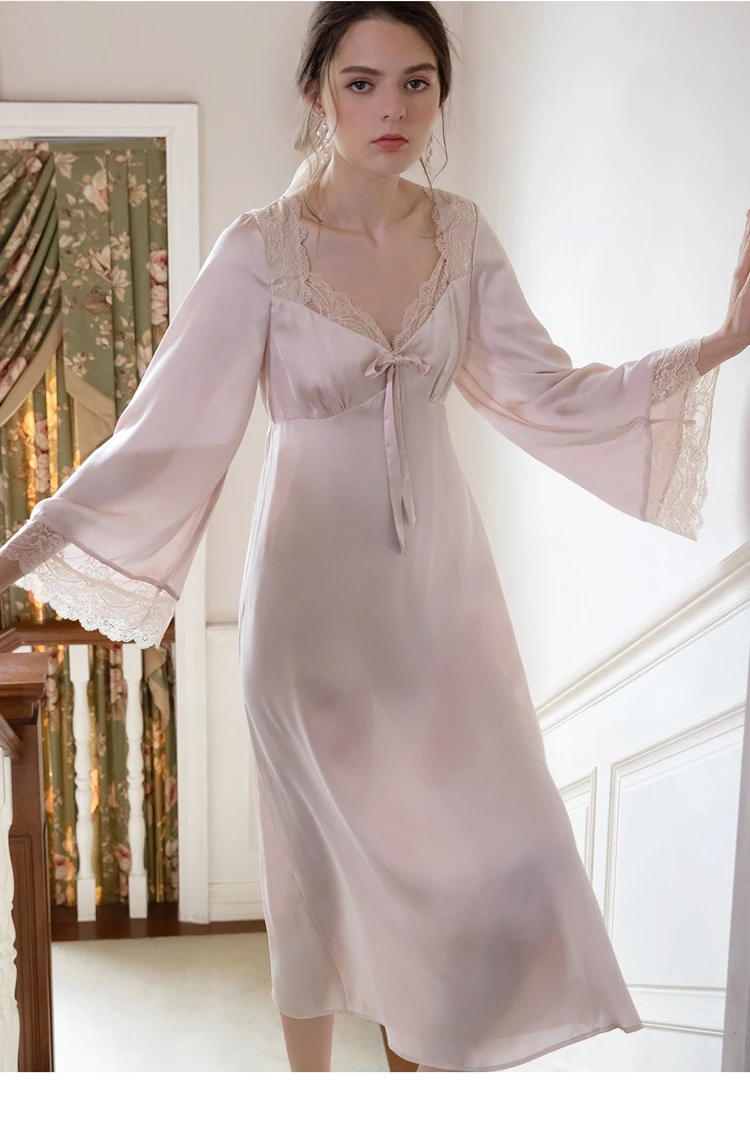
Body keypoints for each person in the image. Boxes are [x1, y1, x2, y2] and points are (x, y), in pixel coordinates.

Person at [0, 2, 747, 1073]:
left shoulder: (463, 236)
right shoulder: (259, 251)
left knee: (491, 855)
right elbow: (163, 432)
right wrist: (19, 551)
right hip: (307, 619)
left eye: (415, 82)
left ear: (441, 94)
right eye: (362, 83)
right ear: (318, 93)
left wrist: (720, 342)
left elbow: (547, 390)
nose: (391, 108)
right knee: (314, 879)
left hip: (442, 605)